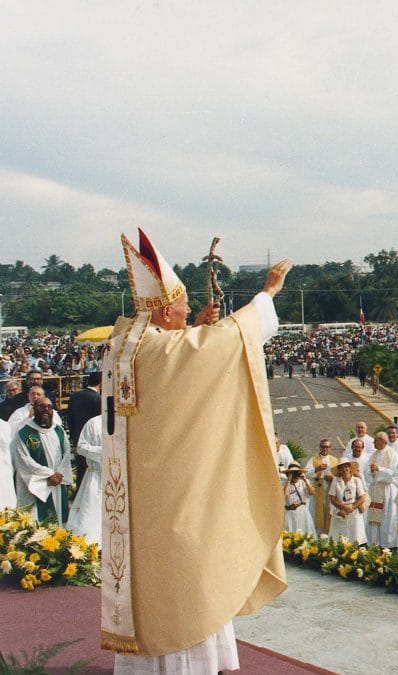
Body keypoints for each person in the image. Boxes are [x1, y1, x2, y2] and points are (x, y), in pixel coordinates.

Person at [101, 230, 289, 669]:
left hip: (138, 499)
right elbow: (229, 341)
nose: (189, 312)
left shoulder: (124, 346)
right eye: (183, 307)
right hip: (173, 500)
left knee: (154, 581)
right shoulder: (168, 348)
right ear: (166, 311)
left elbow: (180, 364)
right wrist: (266, 294)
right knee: (188, 581)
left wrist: (195, 328)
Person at [12, 398, 72, 523]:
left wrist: (59, 473)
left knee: (59, 519)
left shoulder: (59, 430)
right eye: (41, 407)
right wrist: (50, 474)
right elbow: (24, 461)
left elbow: (66, 454)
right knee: (37, 527)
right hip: (38, 487)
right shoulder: (23, 434)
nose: (46, 410)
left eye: (49, 407)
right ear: (34, 410)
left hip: (57, 483)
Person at [65, 415, 102, 545]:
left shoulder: (125, 420)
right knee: (90, 515)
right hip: (96, 476)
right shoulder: (94, 423)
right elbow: (81, 447)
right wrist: (103, 451)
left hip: (120, 477)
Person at [328, 460, 368, 543]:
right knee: (338, 538)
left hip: (354, 511)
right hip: (340, 510)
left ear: (350, 468)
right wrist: (344, 508)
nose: (344, 469)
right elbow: (332, 498)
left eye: (346, 467)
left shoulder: (356, 480)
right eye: (341, 468)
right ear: (339, 470)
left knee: (355, 537)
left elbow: (362, 497)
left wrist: (352, 507)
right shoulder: (335, 481)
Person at [305, 439, 339, 534]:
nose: (325, 448)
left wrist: (332, 479)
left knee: (328, 513)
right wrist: (317, 469)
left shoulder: (335, 460)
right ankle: (317, 536)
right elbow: (306, 473)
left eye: (327, 447)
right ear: (320, 447)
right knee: (316, 513)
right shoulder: (313, 459)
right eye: (323, 446)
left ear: (330, 448)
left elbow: (339, 476)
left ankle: (328, 536)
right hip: (318, 491)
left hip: (330, 491)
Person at [283, 462, 317, 536]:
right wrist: (289, 480)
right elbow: (284, 495)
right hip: (290, 512)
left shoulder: (303, 482)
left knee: (304, 533)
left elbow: (312, 493)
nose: (295, 476)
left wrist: (305, 479)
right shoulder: (285, 484)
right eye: (293, 473)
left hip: (302, 511)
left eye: (297, 473)